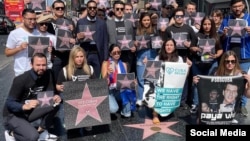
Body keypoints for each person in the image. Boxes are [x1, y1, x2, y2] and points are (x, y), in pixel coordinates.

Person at [3, 53, 62, 141]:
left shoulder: (48, 74)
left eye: (43, 65)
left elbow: (50, 94)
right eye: (38, 65)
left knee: (56, 103)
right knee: (33, 137)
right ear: (31, 65)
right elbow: (9, 103)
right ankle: (11, 134)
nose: (41, 68)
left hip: (31, 111)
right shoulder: (21, 79)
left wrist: (55, 96)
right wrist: (24, 106)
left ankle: (41, 131)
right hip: (14, 115)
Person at [193, 50, 250, 123]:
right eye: (227, 61)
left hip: (232, 109)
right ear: (223, 62)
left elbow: (248, 95)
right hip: (216, 105)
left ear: (236, 62)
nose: (230, 64)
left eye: (233, 61)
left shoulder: (241, 75)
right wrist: (197, 82)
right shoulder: (216, 72)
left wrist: (249, 83)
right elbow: (207, 87)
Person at [144, 39, 192, 124]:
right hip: (159, 84)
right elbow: (152, 73)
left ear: (174, 47)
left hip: (171, 85)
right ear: (164, 46)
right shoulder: (158, 57)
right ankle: (155, 115)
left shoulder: (179, 59)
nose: (169, 47)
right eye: (167, 45)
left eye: (171, 45)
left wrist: (188, 67)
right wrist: (147, 64)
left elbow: (184, 75)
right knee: (154, 92)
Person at [219, 0, 250, 117]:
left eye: (239, 6)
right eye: (235, 6)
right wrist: (224, 34)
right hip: (228, 55)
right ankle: (226, 103)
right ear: (231, 7)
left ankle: (241, 105)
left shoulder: (249, 18)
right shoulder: (226, 19)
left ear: (243, 6)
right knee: (227, 80)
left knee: (243, 80)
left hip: (244, 55)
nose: (237, 8)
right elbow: (219, 38)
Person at [165, 7, 197, 109]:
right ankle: (173, 99)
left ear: (184, 17)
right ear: (174, 17)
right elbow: (165, 44)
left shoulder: (189, 28)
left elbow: (195, 42)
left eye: (181, 16)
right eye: (177, 16)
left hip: (185, 57)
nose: (179, 18)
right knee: (172, 79)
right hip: (172, 57)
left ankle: (183, 100)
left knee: (185, 79)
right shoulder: (169, 29)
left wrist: (190, 45)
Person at [189, 16, 223, 113]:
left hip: (212, 64)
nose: (207, 26)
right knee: (197, 84)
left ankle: (210, 103)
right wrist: (194, 49)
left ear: (212, 25)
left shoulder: (216, 36)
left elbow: (220, 49)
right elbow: (191, 47)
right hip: (198, 63)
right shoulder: (197, 35)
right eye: (205, 24)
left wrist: (216, 55)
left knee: (211, 84)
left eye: (209, 24)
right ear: (202, 25)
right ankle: (195, 104)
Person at [101, 44, 136, 118]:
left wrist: (132, 82)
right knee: (113, 109)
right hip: (109, 90)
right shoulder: (106, 63)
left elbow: (125, 81)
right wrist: (107, 74)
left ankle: (123, 109)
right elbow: (102, 81)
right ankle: (108, 104)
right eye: (114, 52)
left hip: (120, 90)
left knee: (127, 114)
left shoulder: (124, 64)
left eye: (118, 52)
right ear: (110, 53)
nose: (117, 54)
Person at [76, 0, 108, 78]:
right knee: (85, 77)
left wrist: (105, 58)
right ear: (87, 9)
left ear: (96, 9)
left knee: (97, 78)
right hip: (85, 53)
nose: (92, 9)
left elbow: (105, 41)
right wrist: (78, 38)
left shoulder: (102, 23)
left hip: (97, 54)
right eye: (90, 8)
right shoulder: (80, 22)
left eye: (94, 7)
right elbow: (77, 39)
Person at [47, 0, 76, 81]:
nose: (60, 9)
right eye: (57, 8)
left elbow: (75, 38)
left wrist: (73, 31)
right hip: (55, 57)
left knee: (69, 81)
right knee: (57, 82)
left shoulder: (69, 21)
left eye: (62, 8)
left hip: (68, 55)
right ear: (53, 9)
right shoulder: (48, 23)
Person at [134, 12, 158, 106]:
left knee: (153, 79)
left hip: (152, 56)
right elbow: (133, 46)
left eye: (148, 20)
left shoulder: (155, 31)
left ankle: (152, 98)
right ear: (141, 21)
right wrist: (134, 43)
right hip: (141, 58)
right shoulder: (136, 31)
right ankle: (140, 98)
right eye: (144, 20)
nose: (146, 22)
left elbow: (159, 44)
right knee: (140, 79)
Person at [106, 0, 136, 74]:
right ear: (113, 10)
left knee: (125, 78)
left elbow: (133, 39)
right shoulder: (108, 23)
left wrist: (134, 47)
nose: (119, 11)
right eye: (117, 9)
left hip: (126, 55)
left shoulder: (129, 23)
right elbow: (106, 40)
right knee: (112, 76)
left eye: (122, 9)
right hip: (113, 55)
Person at [5, 9, 37, 76]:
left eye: (34, 19)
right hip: (21, 72)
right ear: (23, 19)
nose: (33, 21)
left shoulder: (38, 33)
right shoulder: (14, 33)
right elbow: (7, 53)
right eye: (30, 19)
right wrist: (19, 48)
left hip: (37, 71)